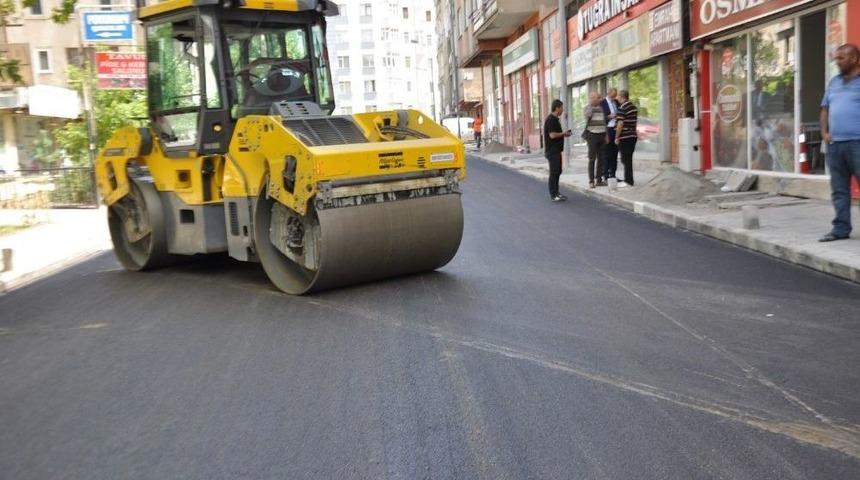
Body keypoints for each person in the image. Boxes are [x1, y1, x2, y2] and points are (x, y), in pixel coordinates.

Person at [819, 43, 860, 242]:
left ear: (854, 59)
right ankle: (841, 229)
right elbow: (825, 109)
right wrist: (824, 132)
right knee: (839, 190)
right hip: (835, 145)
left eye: (841, 58)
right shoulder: (834, 82)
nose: (837, 61)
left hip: (857, 144)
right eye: (836, 58)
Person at [543, 99, 572, 202]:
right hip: (552, 151)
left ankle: (557, 192)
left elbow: (556, 134)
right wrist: (563, 133)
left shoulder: (555, 119)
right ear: (557, 108)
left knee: (558, 171)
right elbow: (552, 135)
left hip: (556, 150)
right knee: (554, 172)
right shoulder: (551, 120)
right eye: (562, 108)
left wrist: (564, 134)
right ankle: (553, 194)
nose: (563, 110)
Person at [584, 91, 607, 188]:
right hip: (592, 135)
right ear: (592, 98)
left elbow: (603, 122)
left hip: (602, 134)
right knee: (592, 159)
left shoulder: (601, 108)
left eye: (599, 98)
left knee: (601, 158)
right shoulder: (588, 107)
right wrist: (591, 105)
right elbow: (587, 116)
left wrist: (606, 135)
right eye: (598, 98)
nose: (599, 99)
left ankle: (599, 180)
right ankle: (591, 181)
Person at [614, 90, 638, 186]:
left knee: (625, 159)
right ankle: (629, 179)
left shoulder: (622, 108)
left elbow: (620, 123)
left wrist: (617, 136)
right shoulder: (633, 107)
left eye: (618, 96)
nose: (617, 98)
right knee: (628, 158)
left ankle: (628, 180)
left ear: (622, 97)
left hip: (625, 137)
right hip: (633, 136)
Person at [601, 88, 621, 180]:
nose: (614, 98)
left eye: (615, 96)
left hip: (616, 129)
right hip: (607, 129)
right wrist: (608, 116)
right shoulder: (602, 103)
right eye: (613, 96)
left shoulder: (616, 102)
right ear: (608, 94)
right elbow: (600, 117)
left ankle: (613, 174)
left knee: (615, 153)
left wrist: (618, 116)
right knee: (606, 153)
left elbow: (620, 112)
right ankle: (605, 175)